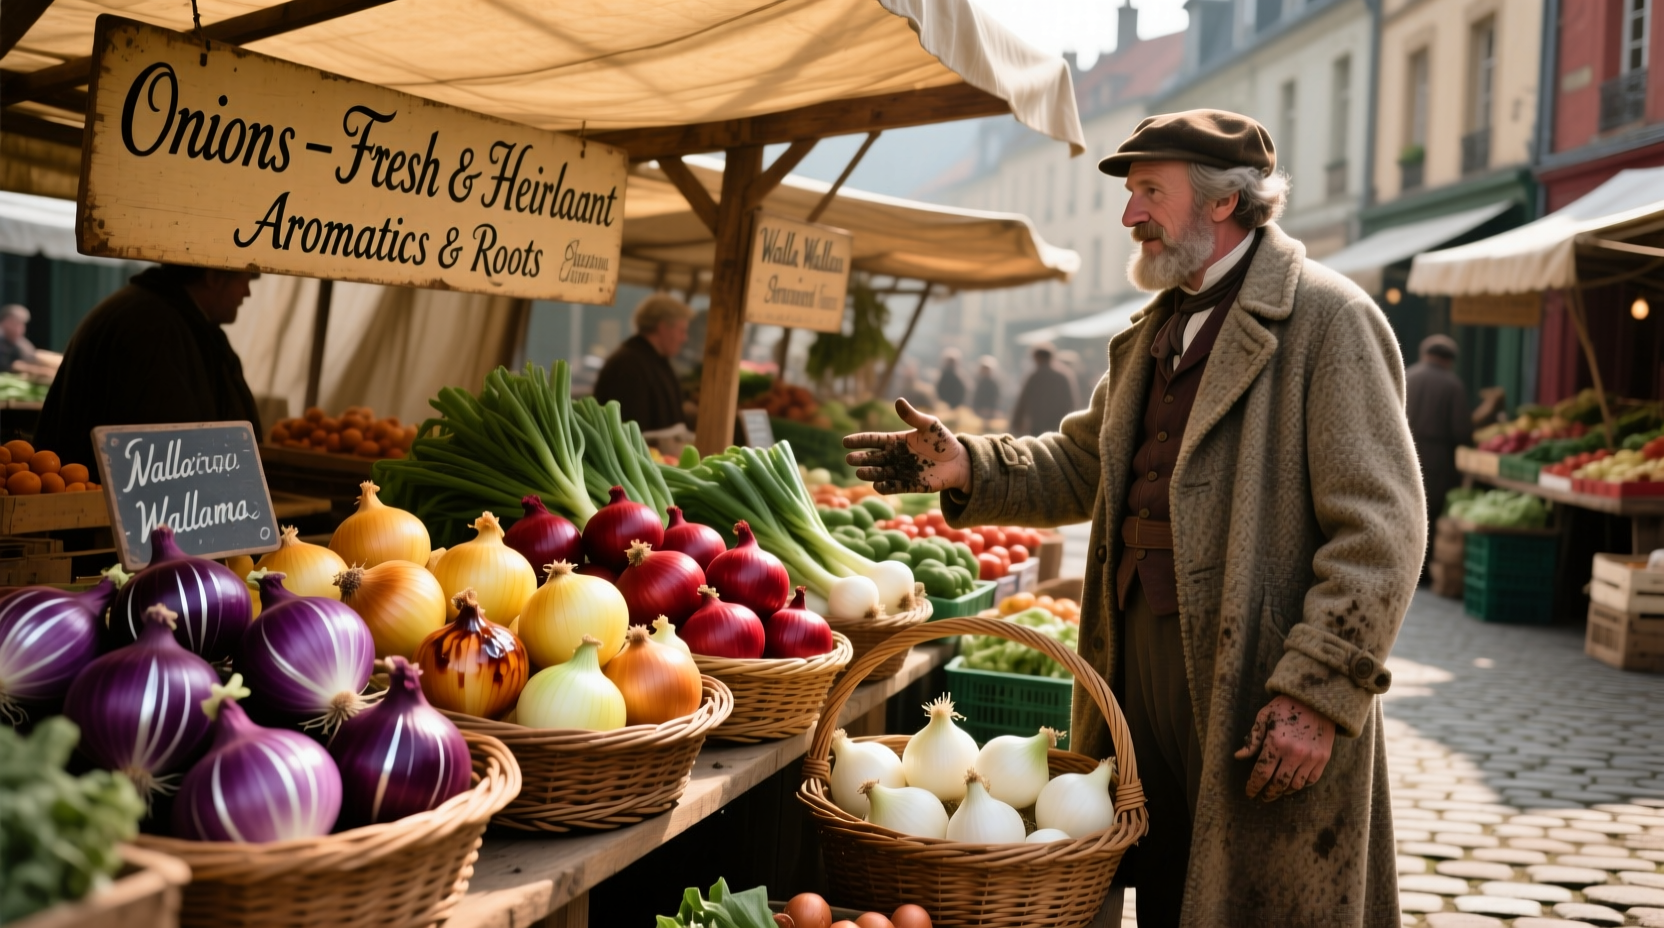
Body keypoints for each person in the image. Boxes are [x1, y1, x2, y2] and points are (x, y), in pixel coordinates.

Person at [845, 109, 1421, 927]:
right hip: (1134, 652)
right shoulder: (1155, 330)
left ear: (1223, 201)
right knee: (1163, 874)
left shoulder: (1330, 320)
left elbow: (1382, 531)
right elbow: (1087, 463)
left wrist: (1319, 693)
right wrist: (971, 464)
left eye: (1150, 191)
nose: (1129, 214)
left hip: (1258, 668)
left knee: (1255, 901)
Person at [36, 266, 260, 470]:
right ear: (212, 277)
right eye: (246, 280)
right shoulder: (153, 327)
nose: (247, 293)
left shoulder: (166, 317)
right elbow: (156, 452)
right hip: (99, 493)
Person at [1405, 334, 1504, 576]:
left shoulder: (1408, 376)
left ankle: (1403, 564)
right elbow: (1461, 430)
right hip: (1437, 459)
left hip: (1404, 453)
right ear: (1449, 360)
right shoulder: (1452, 385)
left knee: (1406, 509)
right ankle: (1422, 570)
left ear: (1424, 354)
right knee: (1430, 512)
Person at [593, 293, 693, 432]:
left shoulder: (654, 361)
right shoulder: (628, 364)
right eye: (681, 331)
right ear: (663, 327)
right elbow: (630, 428)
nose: (684, 338)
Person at [1009, 343, 1080, 436]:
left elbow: (1023, 401)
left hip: (1038, 425)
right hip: (1058, 424)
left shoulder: (1034, 376)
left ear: (1037, 357)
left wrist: (1016, 423)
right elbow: (1071, 401)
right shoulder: (1064, 375)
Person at [0, 305, 38, 372]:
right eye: (15, 323)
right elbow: (5, 365)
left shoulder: (22, 344)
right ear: (4, 322)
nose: (20, 329)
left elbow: (32, 358)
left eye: (22, 324)